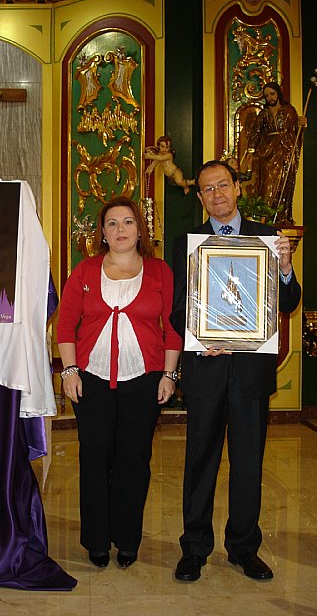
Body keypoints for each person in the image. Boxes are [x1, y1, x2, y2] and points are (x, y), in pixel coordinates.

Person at [170, 160, 301, 582]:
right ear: (200, 197)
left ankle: (244, 548)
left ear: (237, 188)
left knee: (248, 463)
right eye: (207, 189)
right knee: (200, 462)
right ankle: (194, 549)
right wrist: (197, 334)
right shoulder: (187, 242)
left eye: (223, 185)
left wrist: (283, 267)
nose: (217, 195)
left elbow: (289, 302)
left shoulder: (268, 238)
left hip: (250, 371)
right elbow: (176, 311)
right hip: (206, 369)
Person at [57, 195, 182, 569]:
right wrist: (69, 370)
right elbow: (66, 325)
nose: (120, 230)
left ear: (139, 229)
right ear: (103, 232)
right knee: (93, 456)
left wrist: (169, 375)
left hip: (143, 380)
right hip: (90, 380)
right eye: (112, 223)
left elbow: (173, 328)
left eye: (127, 222)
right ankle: (96, 539)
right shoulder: (84, 271)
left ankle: (127, 539)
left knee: (134, 459)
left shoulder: (160, 271)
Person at [243, 82, 307, 224]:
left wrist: (301, 124)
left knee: (285, 181)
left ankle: (282, 216)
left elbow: (296, 133)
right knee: (267, 184)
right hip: (267, 153)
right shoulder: (264, 114)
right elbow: (256, 134)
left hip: (286, 150)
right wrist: (250, 152)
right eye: (266, 96)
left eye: (272, 94)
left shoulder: (289, 110)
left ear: (278, 93)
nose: (270, 97)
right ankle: (265, 215)